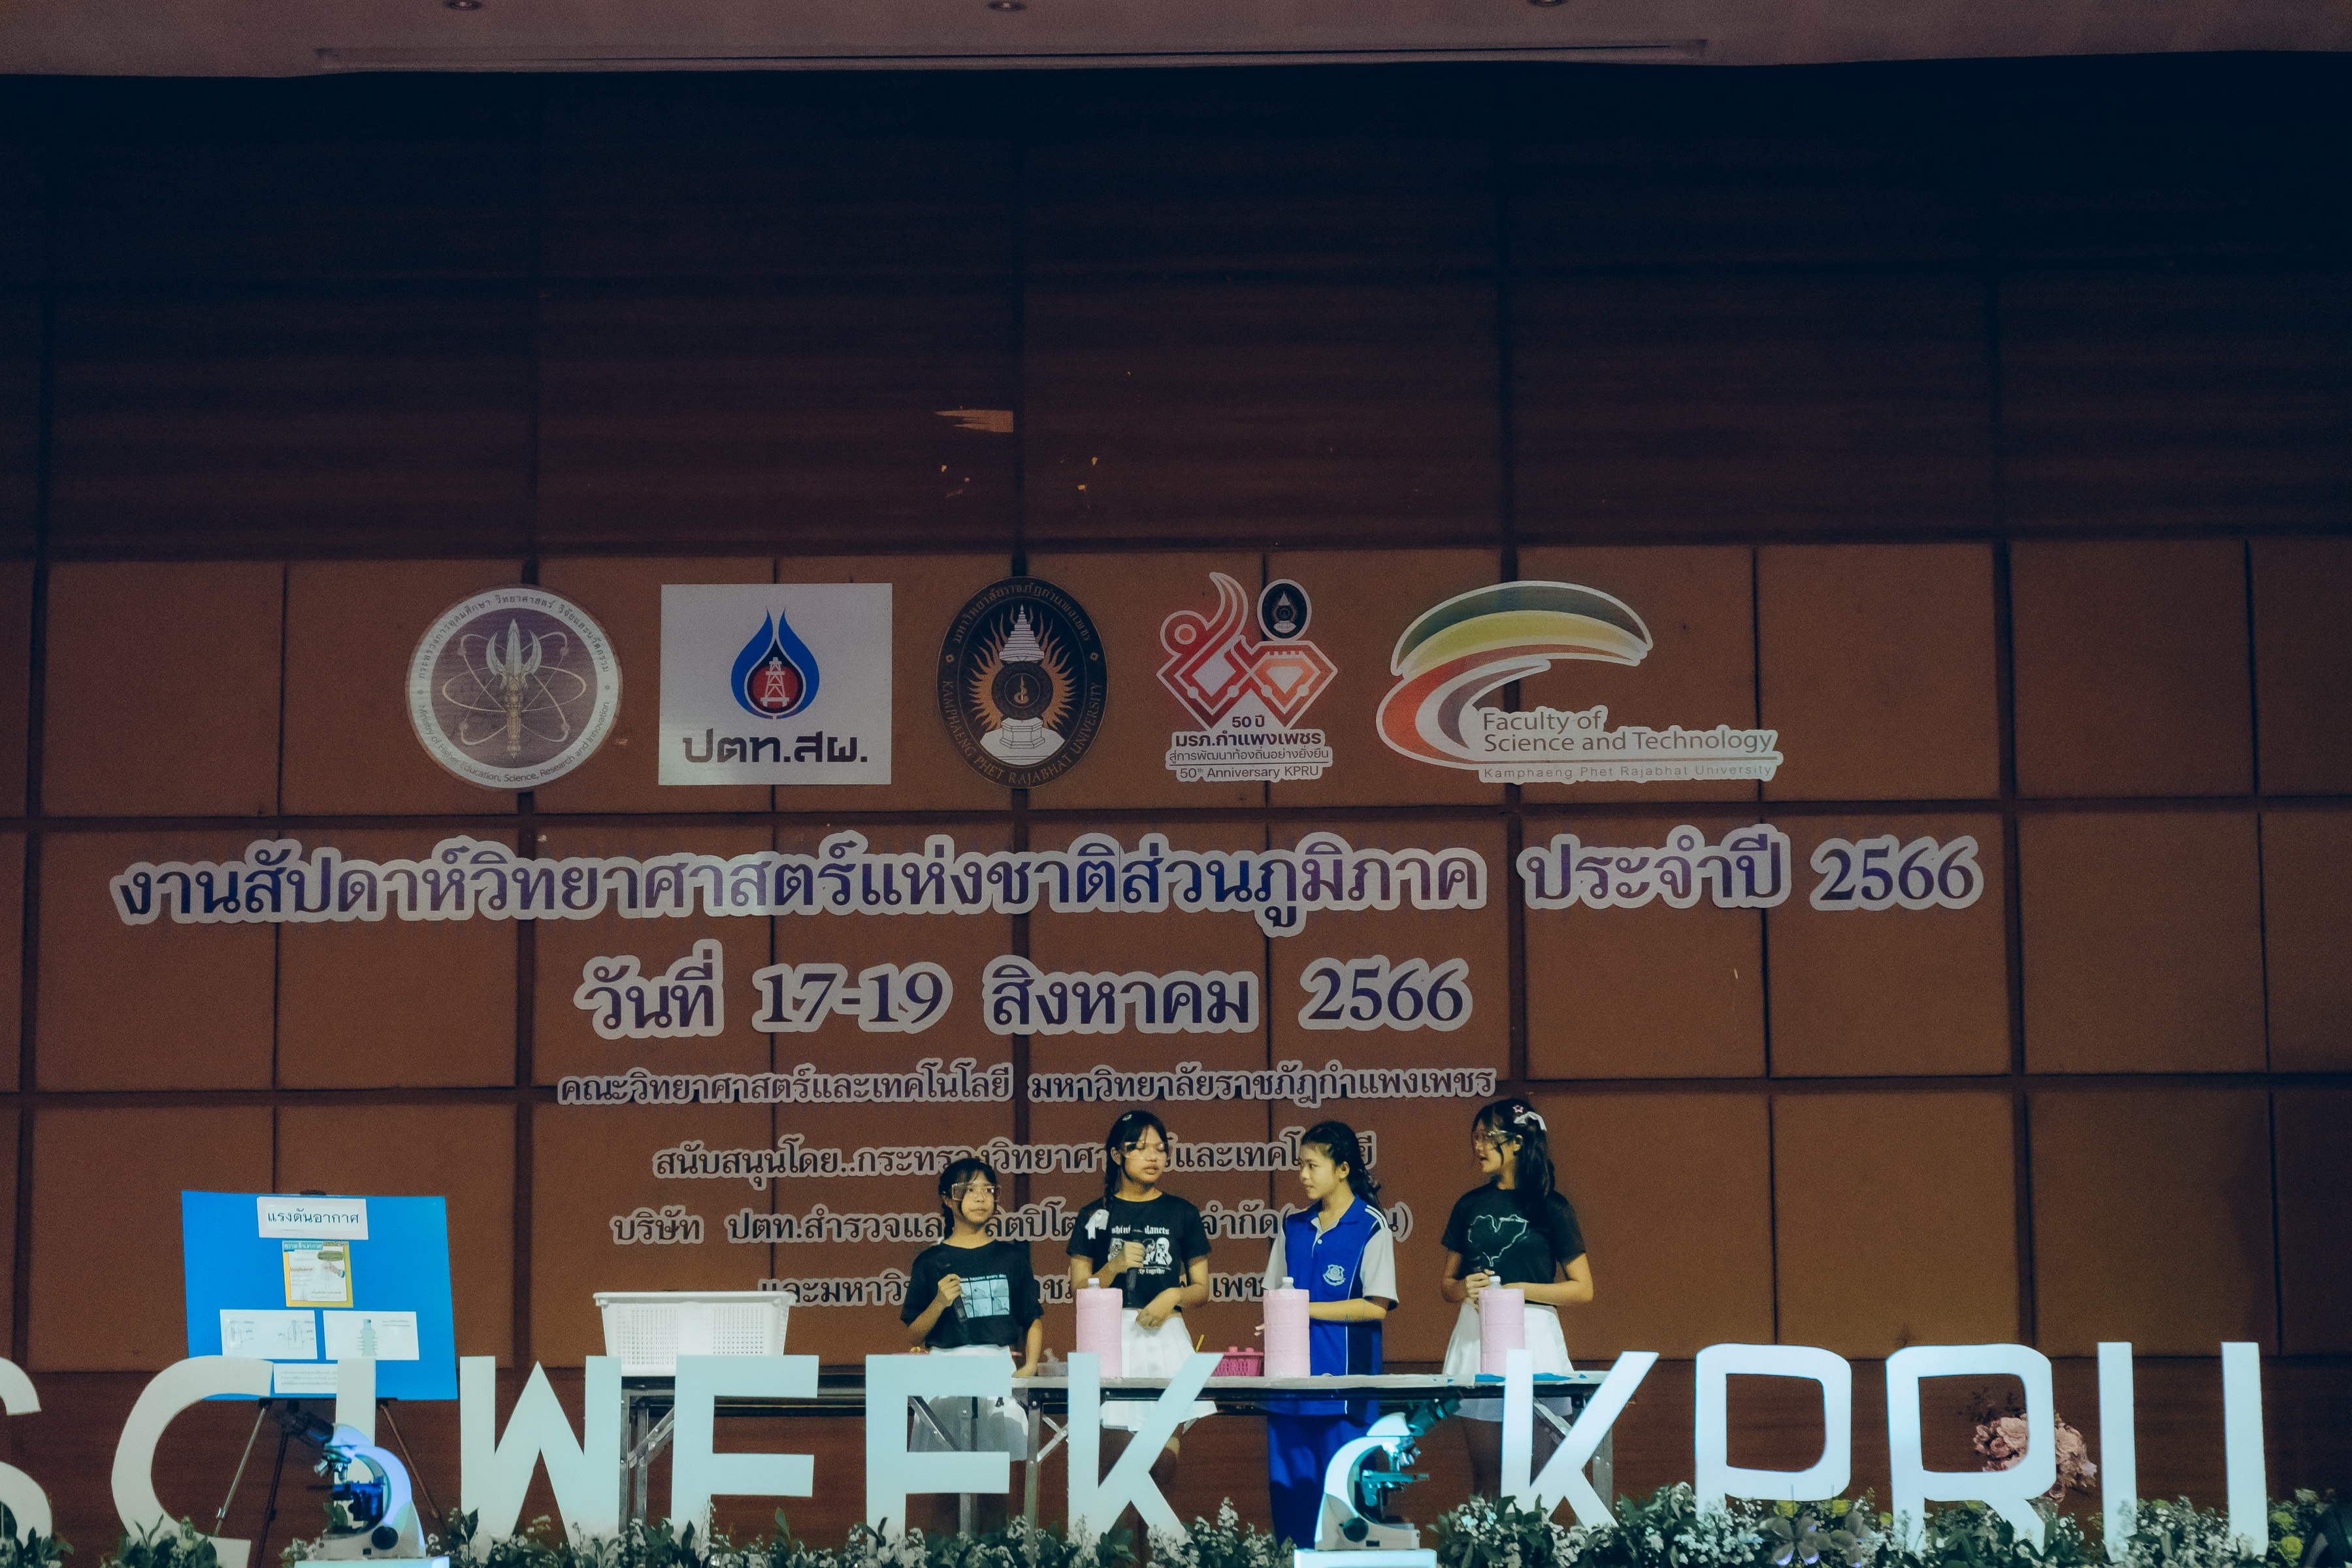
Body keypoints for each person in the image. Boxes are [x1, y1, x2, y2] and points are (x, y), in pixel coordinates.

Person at [1438, 1097, 1592, 1499]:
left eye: (1486, 1137)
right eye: (1474, 1138)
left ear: (1518, 1142)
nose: (1478, 1146)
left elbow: (1582, 1288)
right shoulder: (1469, 1205)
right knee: (1487, 1476)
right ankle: (1483, 1541)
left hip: (1535, 1340)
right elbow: (1448, 1285)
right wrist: (1464, 1288)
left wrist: (1518, 1291)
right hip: (1477, 1338)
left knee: (1539, 1479)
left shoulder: (1552, 1207)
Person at [1262, 1120, 1396, 1550]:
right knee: (1293, 1516)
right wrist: (1285, 1313)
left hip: (1345, 1395)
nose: (1302, 1174)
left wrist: (1303, 1309)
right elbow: (1273, 1297)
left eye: (1312, 1165)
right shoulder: (1293, 1227)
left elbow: (1376, 1306)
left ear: (1342, 1169)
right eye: (1300, 1165)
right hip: (1289, 1395)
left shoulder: (1370, 1226)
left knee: (1348, 1517)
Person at [1066, 1109, 1213, 1489]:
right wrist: (1113, 1267)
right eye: (1141, 1148)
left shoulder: (1182, 1212)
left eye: (1160, 1149)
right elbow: (1078, 1290)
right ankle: (1110, 1533)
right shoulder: (1095, 1215)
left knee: (1163, 1467)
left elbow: (1202, 1289)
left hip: (1167, 1338)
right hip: (1112, 1340)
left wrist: (1172, 1295)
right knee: (1115, 1469)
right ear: (1117, 1155)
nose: (1153, 1157)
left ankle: (1156, 1533)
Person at [901, 1156, 1041, 1531]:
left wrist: (1029, 1366)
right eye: (970, 1190)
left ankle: (998, 1554)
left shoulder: (1011, 1257)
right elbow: (914, 1333)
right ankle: (946, 1555)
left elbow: (1032, 1317)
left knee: (995, 1488)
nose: (981, 1198)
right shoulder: (931, 1261)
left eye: (988, 1190)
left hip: (997, 1370)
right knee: (948, 1490)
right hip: (945, 1372)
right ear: (948, 1199)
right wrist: (939, 1302)